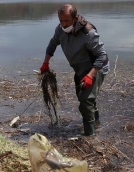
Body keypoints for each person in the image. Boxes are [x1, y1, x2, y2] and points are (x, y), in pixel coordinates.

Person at [40, 4, 109, 136]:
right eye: (61, 20)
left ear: (75, 18)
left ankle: (90, 135)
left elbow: (102, 55)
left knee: (85, 100)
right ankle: (96, 122)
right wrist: (45, 63)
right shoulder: (60, 30)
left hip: (96, 67)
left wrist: (90, 75)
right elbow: (53, 43)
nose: (64, 24)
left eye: (67, 20)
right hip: (79, 69)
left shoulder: (88, 33)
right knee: (83, 97)